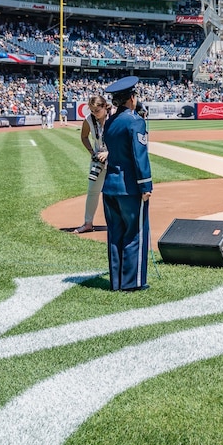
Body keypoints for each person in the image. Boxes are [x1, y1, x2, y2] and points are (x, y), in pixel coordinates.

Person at [101, 76, 153, 291]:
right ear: (132, 98)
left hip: (110, 186)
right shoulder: (135, 121)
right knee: (135, 233)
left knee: (115, 234)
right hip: (129, 187)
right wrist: (145, 185)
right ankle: (132, 283)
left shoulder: (110, 121)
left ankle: (117, 282)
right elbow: (139, 156)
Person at [74, 95, 110, 234]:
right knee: (93, 191)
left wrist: (109, 153)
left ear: (104, 106)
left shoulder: (114, 117)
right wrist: (92, 152)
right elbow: (83, 136)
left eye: (97, 110)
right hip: (98, 161)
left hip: (115, 158)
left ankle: (117, 224)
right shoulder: (89, 119)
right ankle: (88, 223)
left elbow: (122, 139)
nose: (94, 114)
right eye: (92, 110)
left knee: (113, 192)